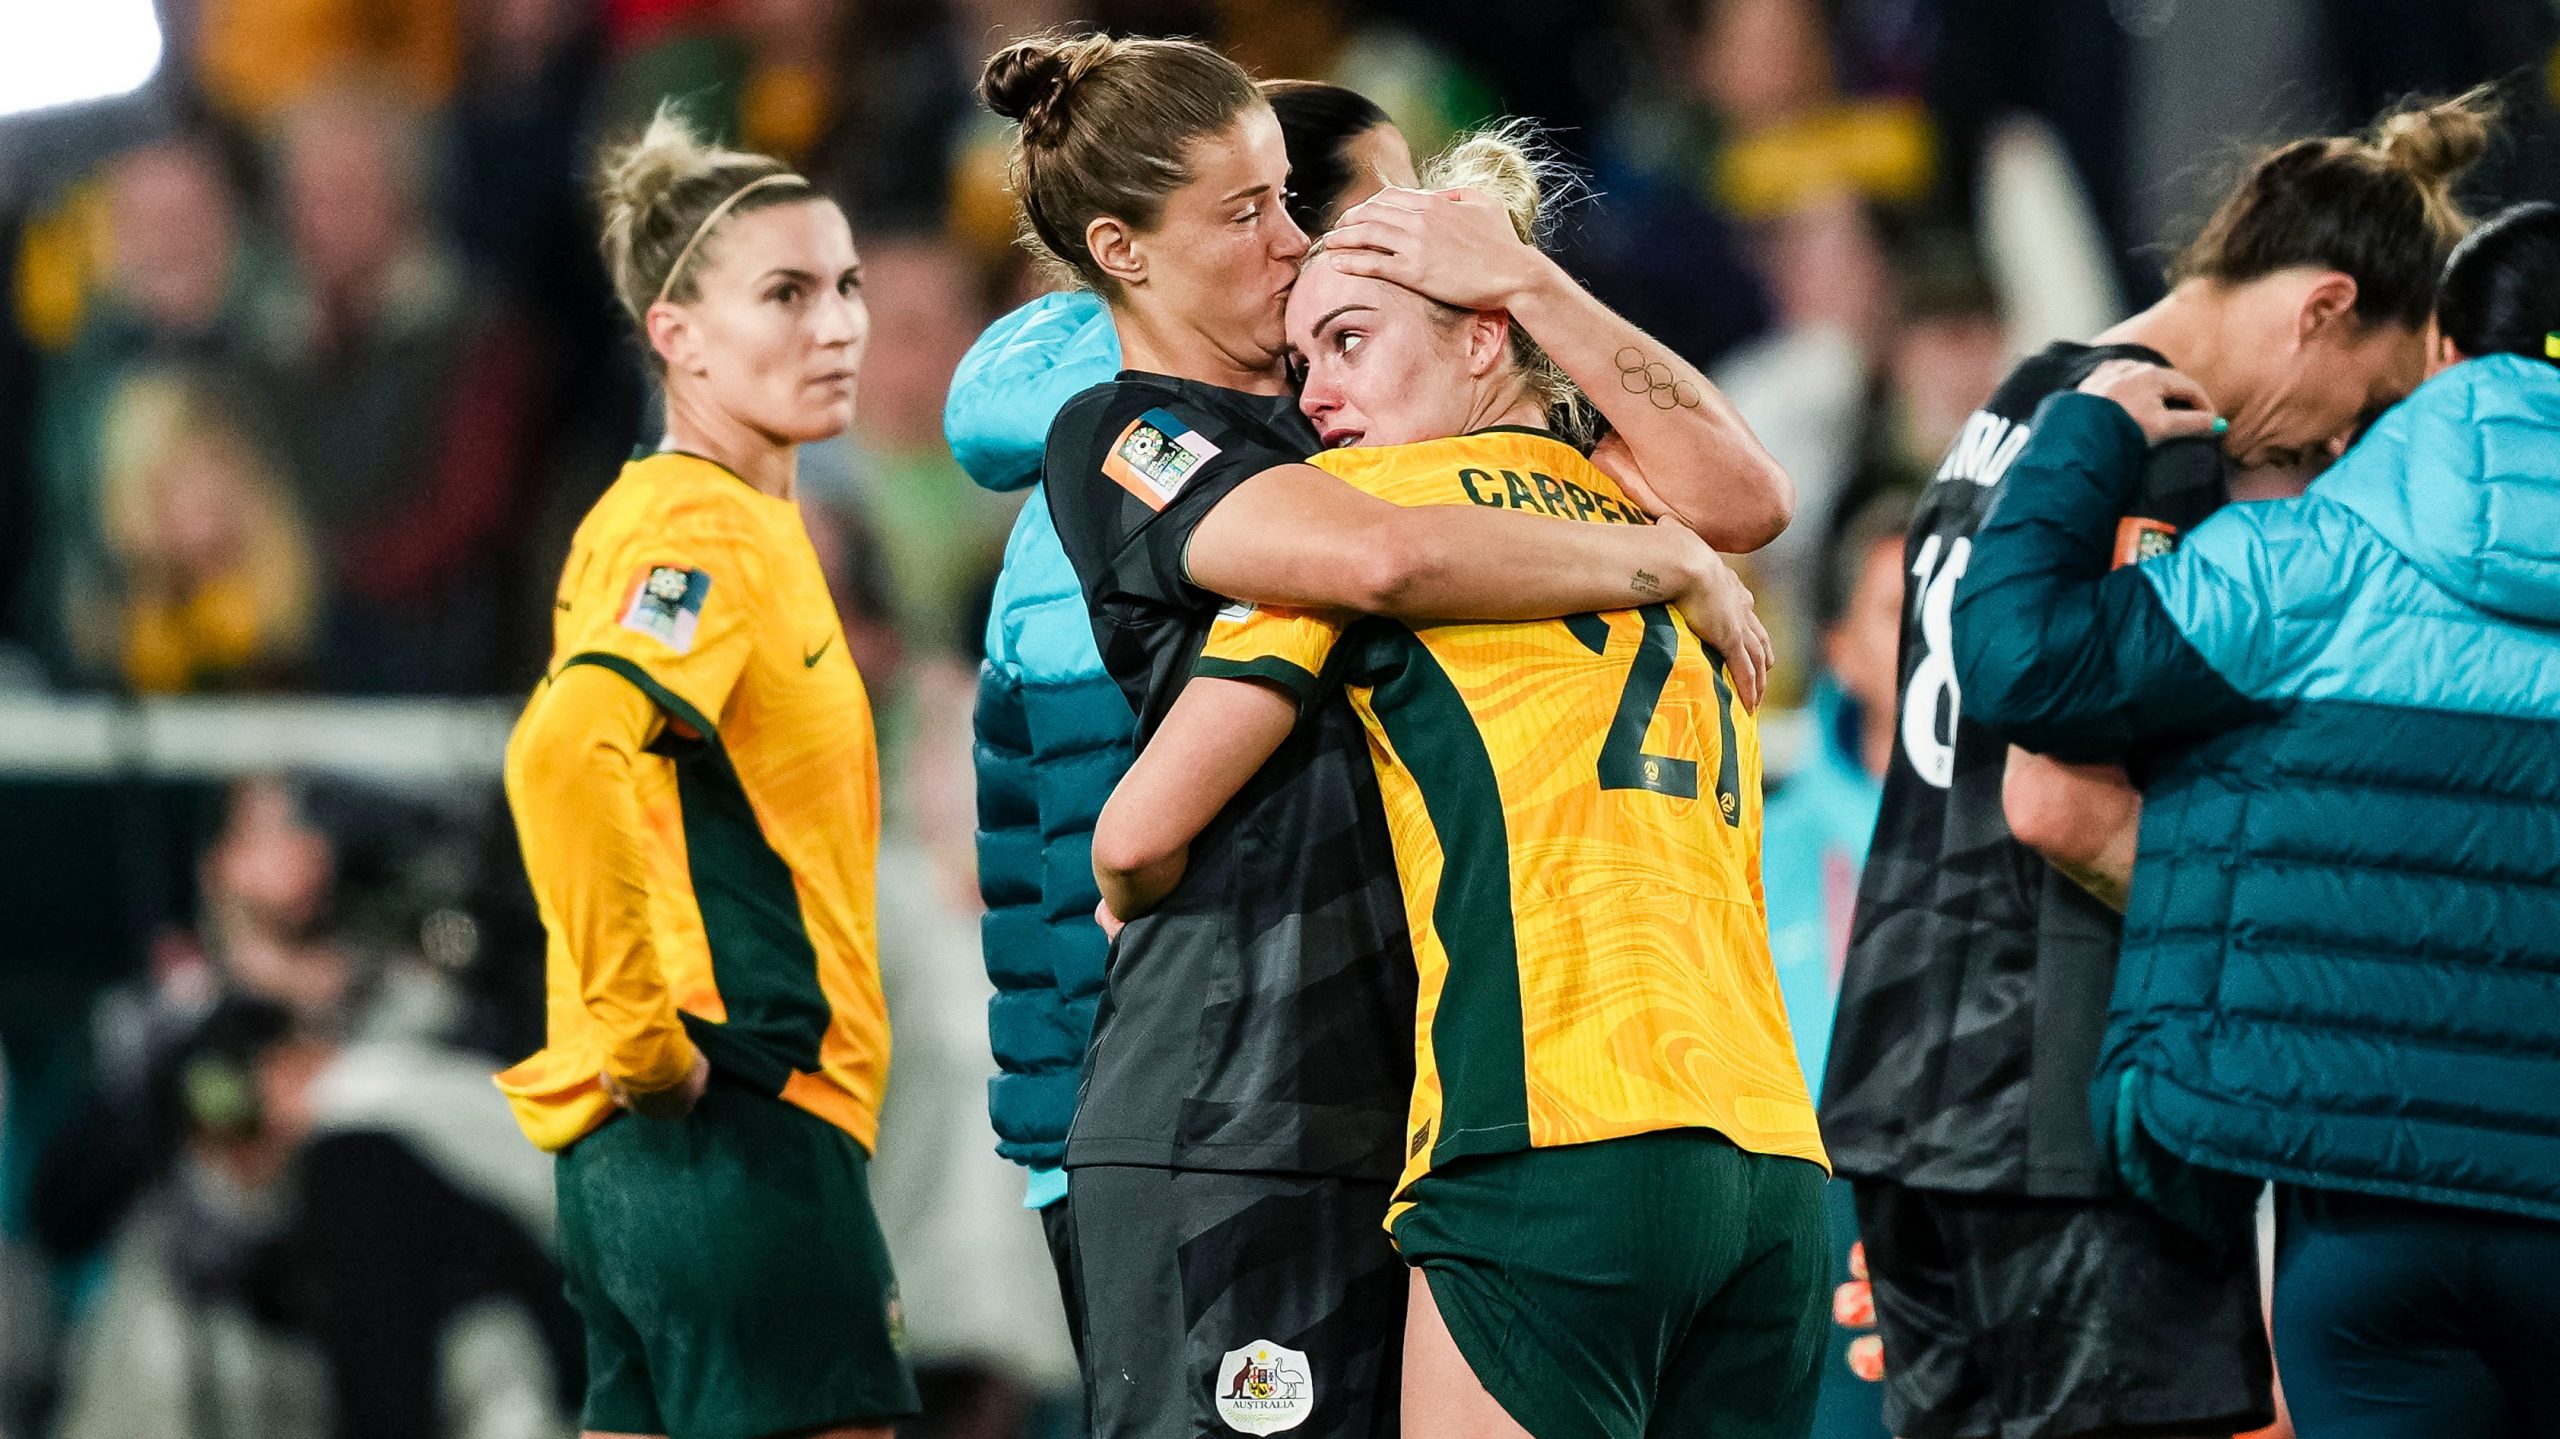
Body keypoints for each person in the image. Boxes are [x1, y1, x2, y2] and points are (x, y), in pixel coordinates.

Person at [982, 31, 1785, 1439]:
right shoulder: (1125, 433)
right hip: (1235, 1107)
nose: (1295, 245)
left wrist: (1531, 285)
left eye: (1294, 197)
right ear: (1122, 246)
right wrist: (1656, 558)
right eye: (1246, 215)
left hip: (1421, 1107)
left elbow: (1742, 494)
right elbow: (1376, 563)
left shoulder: (1363, 439)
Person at [1818, 88, 2496, 1439]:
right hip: (2055, 1114)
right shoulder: (2160, 451)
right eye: (2362, 397)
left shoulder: (2019, 403)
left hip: (1906, 1088)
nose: (2336, 446)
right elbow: (2060, 802)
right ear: (2320, 306)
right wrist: (2303, 948)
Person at [1949, 199, 2560, 1439]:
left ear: (2441, 353)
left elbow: (2018, 663)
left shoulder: (2299, 561)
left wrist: (2082, 436)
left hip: (2353, 1212)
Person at [954, 78, 1421, 1369]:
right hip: (1177, 1091)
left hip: (1249, 1089)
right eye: (1375, 215)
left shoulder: (1241, 445)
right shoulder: (1147, 463)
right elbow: (1121, 828)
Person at [495, 107, 916, 1438]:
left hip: (652, 1161)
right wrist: (641, 1035)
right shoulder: (700, 530)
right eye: (784, 293)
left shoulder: (697, 519)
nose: (837, 324)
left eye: (845, 285)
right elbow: (564, 750)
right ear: (675, 331)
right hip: (734, 1122)